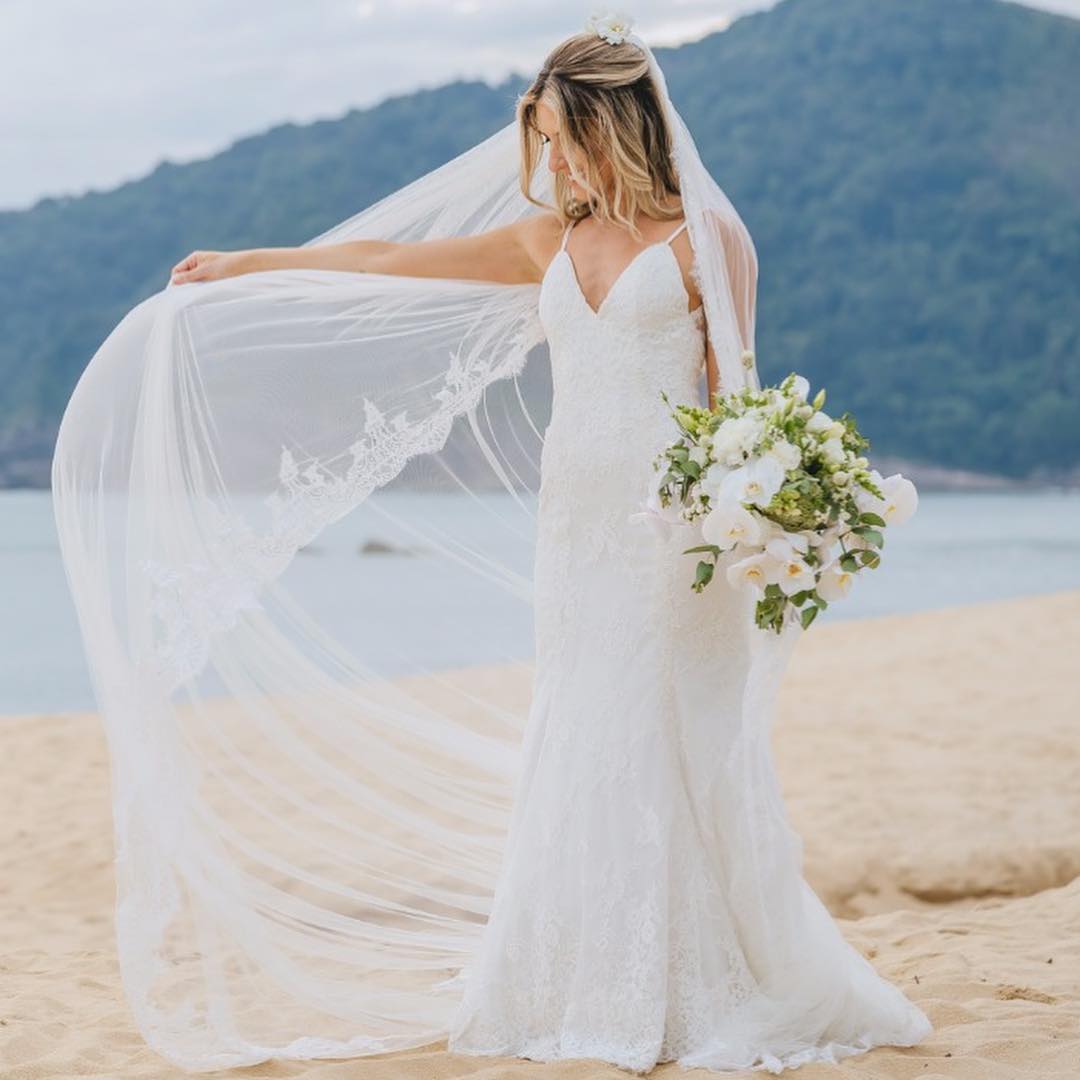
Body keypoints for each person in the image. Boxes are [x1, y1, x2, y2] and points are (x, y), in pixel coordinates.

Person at [52, 17, 933, 1077]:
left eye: (566, 137)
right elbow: (388, 260)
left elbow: (738, 401)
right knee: (582, 726)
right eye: (545, 141)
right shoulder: (546, 239)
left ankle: (697, 980)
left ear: (618, 125)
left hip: (673, 531)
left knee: (666, 736)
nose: (553, 161)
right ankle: (569, 975)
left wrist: (751, 522)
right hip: (576, 526)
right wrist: (254, 264)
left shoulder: (709, 240)